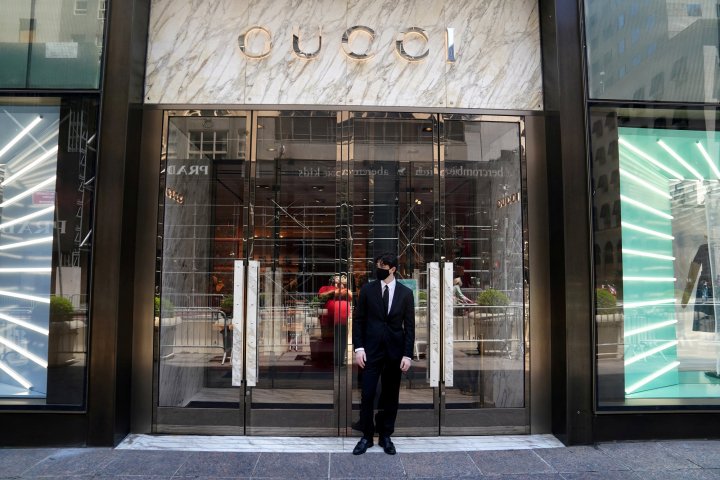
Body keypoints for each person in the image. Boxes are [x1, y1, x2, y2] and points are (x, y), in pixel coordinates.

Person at [352, 252, 415, 455]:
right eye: (377, 264)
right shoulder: (368, 290)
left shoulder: (406, 293)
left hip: (395, 353)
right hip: (370, 351)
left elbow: (410, 327)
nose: (378, 269)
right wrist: (358, 348)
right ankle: (367, 436)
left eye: (382, 266)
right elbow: (359, 320)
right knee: (368, 394)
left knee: (390, 395)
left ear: (393, 269)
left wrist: (407, 355)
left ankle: (386, 435)